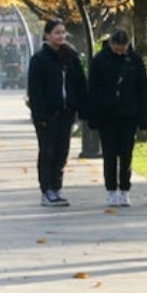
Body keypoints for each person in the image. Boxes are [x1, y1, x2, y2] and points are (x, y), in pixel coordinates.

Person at [26, 18, 88, 206]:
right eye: (56, 33)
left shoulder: (71, 57)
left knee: (62, 151)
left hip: (66, 112)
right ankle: (47, 190)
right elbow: (35, 90)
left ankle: (57, 187)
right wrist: (40, 115)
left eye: (62, 32)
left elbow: (80, 84)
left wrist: (79, 108)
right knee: (48, 151)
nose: (61, 36)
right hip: (48, 114)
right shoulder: (39, 60)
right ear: (47, 35)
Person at [87, 28, 147, 208]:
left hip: (128, 114)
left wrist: (143, 118)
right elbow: (92, 89)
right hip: (107, 115)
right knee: (109, 154)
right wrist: (93, 116)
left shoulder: (135, 61)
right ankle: (111, 190)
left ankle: (124, 189)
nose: (120, 52)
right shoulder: (100, 60)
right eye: (118, 48)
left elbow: (142, 90)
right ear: (112, 44)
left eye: (123, 48)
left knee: (126, 153)